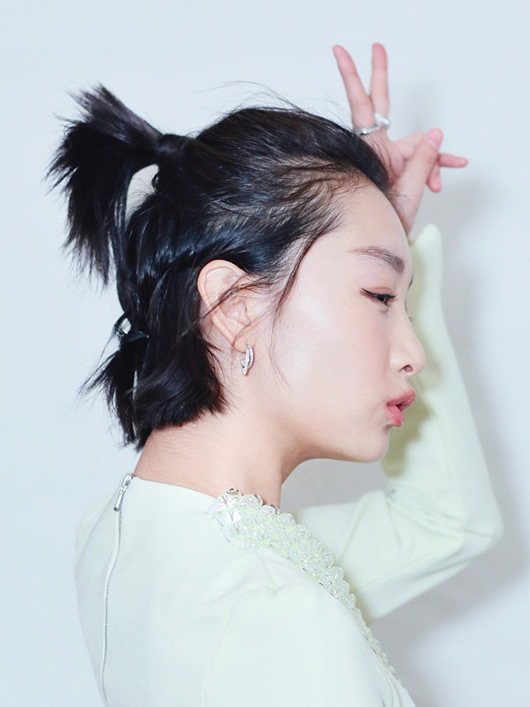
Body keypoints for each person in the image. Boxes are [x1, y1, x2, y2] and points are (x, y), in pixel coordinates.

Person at [47, 43, 503, 706]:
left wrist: (387, 242)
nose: (415, 354)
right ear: (235, 304)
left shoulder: (120, 532)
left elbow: (451, 523)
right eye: (379, 297)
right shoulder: (280, 618)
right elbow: (451, 525)